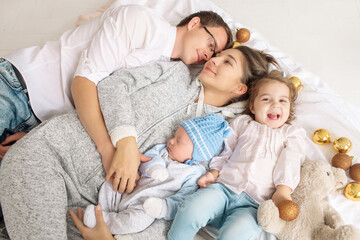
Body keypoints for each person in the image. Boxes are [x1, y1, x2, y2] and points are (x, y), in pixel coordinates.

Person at [0, 46, 278, 239]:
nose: (214, 59)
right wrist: (126, 142)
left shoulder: (220, 138)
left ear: (240, 89)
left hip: (99, 209)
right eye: (218, 55)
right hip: (51, 156)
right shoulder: (173, 73)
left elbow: (175, 201)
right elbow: (111, 87)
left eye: (227, 62)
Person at [0, 3, 233, 159]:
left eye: (214, 55)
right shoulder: (140, 21)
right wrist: (108, 150)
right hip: (19, 86)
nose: (208, 55)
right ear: (194, 23)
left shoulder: (165, 72)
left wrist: (41, 135)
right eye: (210, 44)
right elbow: (84, 81)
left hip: (39, 124)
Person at [168, 70, 306, 240]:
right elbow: (226, 149)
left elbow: (292, 159)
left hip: (254, 205)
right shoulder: (243, 123)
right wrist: (214, 173)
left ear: (290, 109)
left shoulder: (290, 134)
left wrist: (283, 189)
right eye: (266, 99)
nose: (275, 105)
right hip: (224, 188)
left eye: (282, 101)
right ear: (253, 107)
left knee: (236, 234)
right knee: (191, 209)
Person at [83, 114, 231, 235]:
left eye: (179, 141)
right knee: (112, 183)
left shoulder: (194, 175)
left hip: (144, 205)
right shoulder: (162, 151)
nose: (171, 141)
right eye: (174, 136)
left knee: (139, 221)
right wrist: (155, 167)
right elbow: (149, 157)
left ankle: (105, 221)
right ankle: (101, 210)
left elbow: (181, 201)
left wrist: (163, 207)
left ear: (197, 154)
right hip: (130, 188)